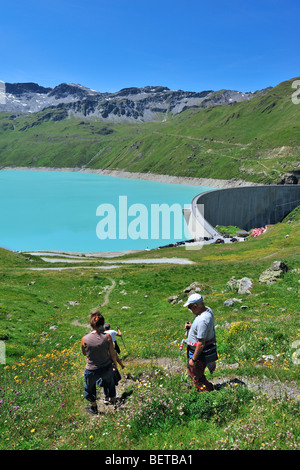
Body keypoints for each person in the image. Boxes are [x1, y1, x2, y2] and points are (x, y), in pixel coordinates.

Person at [81, 311, 120, 415]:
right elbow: (112, 353)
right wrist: (115, 364)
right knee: (110, 383)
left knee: (89, 387)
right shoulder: (107, 337)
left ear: (91, 324)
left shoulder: (84, 339)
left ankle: (94, 407)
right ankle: (114, 402)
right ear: (102, 324)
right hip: (106, 367)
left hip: (91, 369)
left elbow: (84, 353)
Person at [183, 293, 217, 392]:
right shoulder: (208, 310)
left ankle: (207, 392)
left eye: (190, 307)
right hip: (204, 349)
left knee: (195, 375)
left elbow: (201, 343)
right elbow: (202, 329)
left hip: (198, 353)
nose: (190, 309)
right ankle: (204, 390)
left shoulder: (202, 320)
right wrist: (192, 326)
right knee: (195, 374)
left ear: (195, 306)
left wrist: (193, 360)